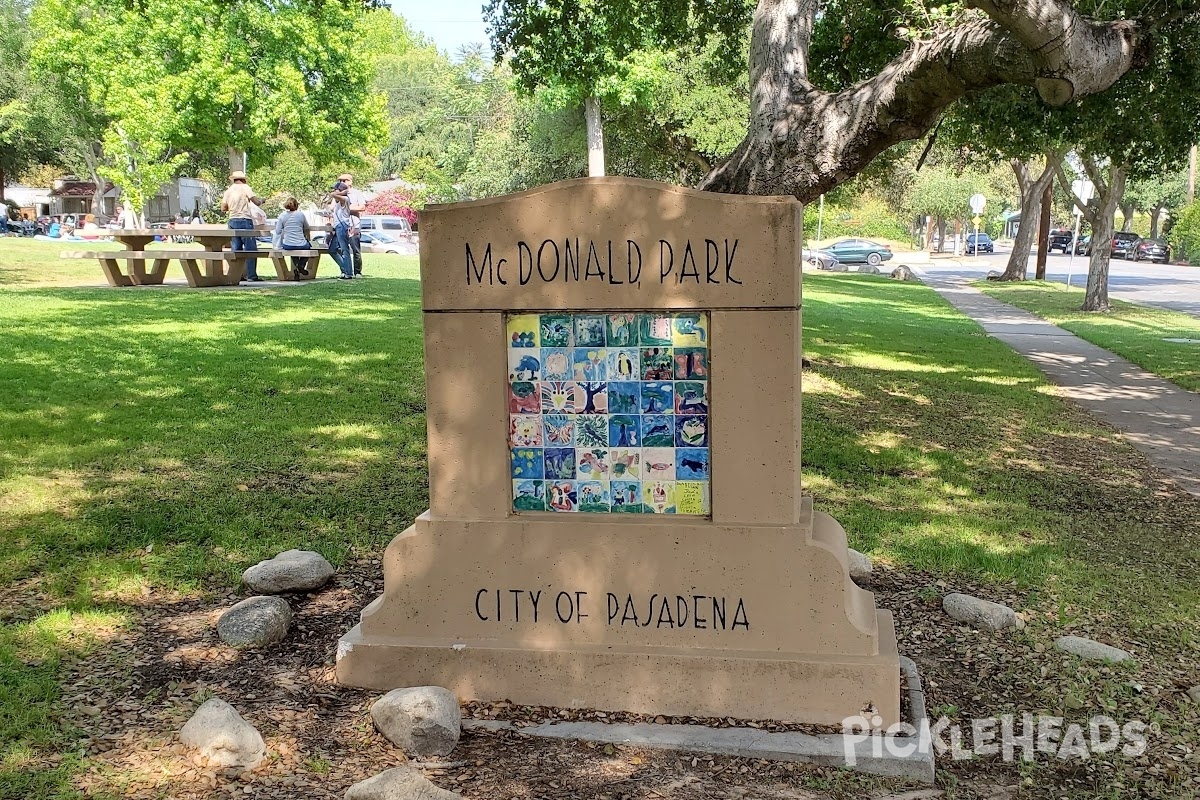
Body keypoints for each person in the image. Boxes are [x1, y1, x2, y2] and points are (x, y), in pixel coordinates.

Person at [221, 170, 262, 282]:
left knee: (236, 249)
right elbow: (256, 202)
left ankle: (237, 275)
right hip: (245, 219)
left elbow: (223, 208)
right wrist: (262, 201)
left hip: (232, 220)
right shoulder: (245, 187)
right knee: (251, 249)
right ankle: (251, 275)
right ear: (243, 179)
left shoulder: (228, 191)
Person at [273, 197, 312, 280]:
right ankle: (300, 266)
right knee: (308, 247)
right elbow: (307, 228)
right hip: (301, 243)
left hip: (288, 244)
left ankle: (297, 268)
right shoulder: (300, 214)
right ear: (297, 205)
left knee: (292, 250)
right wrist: (308, 238)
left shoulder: (282, 216)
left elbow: (277, 231)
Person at [339, 172, 367, 276]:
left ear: (350, 182)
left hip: (354, 225)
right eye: (340, 181)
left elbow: (362, 207)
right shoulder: (338, 194)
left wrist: (348, 208)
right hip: (342, 225)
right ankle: (345, 271)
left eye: (344, 180)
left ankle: (358, 272)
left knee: (356, 250)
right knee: (343, 250)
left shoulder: (356, 193)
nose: (342, 182)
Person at [327, 180, 355, 280]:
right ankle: (345, 269)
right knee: (332, 249)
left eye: (336, 189)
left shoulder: (345, 199)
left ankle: (348, 273)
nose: (334, 191)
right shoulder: (338, 202)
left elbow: (332, 194)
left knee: (344, 250)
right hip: (338, 226)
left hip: (342, 227)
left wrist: (343, 192)